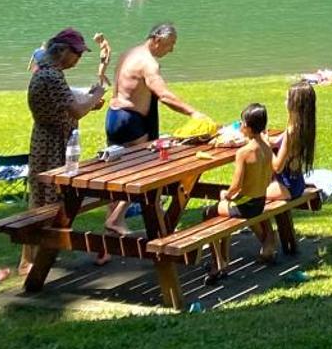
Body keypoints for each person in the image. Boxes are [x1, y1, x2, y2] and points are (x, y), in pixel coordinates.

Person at [103, 22, 201, 234]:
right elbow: (164, 95)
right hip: (132, 120)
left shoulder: (129, 53)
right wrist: (193, 112)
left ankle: (107, 247)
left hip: (114, 117)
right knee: (144, 171)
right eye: (170, 44)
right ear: (157, 40)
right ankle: (117, 219)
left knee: (117, 173)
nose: (172, 49)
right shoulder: (149, 64)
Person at [25, 28, 110, 251]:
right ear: (62, 51)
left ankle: (39, 254)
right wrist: (97, 95)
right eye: (77, 54)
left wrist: (89, 101)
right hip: (52, 143)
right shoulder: (52, 76)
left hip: (51, 139)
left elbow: (62, 106)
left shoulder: (47, 72)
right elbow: (77, 111)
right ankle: (37, 256)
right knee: (50, 200)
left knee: (45, 198)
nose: (79, 59)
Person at [207, 103, 276, 280]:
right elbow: (268, 178)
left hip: (245, 207)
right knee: (223, 212)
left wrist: (226, 195)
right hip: (259, 202)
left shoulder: (244, 152)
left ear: (247, 126)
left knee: (209, 213)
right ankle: (224, 258)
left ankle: (218, 263)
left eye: (241, 123)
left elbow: (236, 186)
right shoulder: (267, 148)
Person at [266, 81, 317, 204]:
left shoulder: (291, 132)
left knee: (248, 195)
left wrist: (266, 147)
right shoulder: (302, 127)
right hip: (297, 184)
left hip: (285, 187)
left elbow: (278, 167)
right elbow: (278, 142)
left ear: (295, 104)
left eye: (287, 99)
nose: (285, 102)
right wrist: (266, 139)